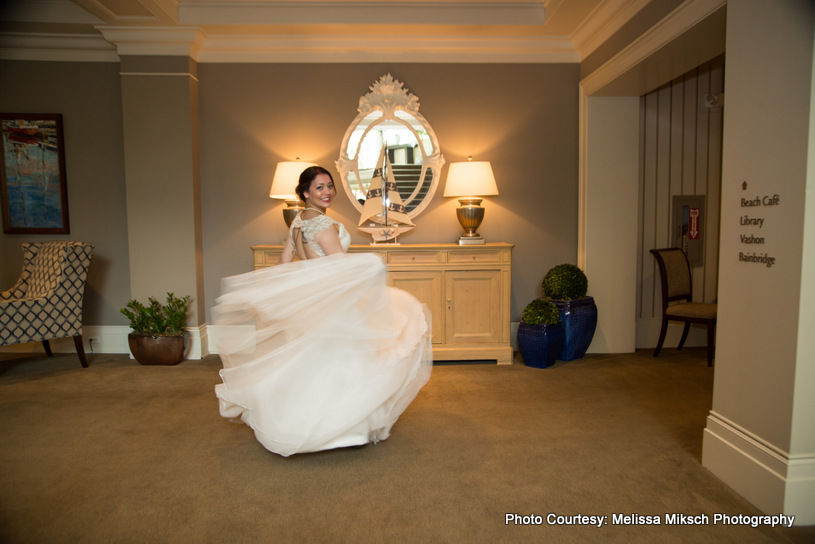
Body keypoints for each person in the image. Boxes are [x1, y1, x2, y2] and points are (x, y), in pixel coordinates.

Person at [213, 166, 432, 457]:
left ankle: (301, 423)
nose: (327, 192)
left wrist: (275, 292)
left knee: (312, 362)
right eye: (319, 187)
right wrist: (372, 265)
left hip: (312, 303)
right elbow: (340, 267)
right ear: (305, 192)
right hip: (333, 302)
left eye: (329, 185)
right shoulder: (323, 225)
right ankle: (342, 429)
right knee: (342, 360)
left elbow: (284, 263)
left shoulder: (297, 222)